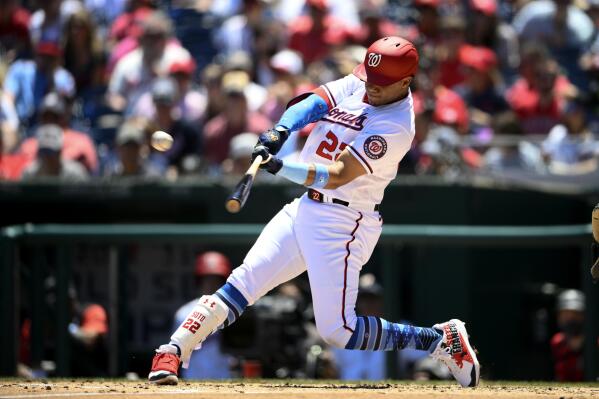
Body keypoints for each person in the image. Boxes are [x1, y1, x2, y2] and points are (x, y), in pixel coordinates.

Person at [148, 36, 480, 388]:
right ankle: (173, 349)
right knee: (242, 282)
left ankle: (439, 340)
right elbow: (314, 102)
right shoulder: (363, 80)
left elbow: (337, 176)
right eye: (370, 79)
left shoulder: (396, 125)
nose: (371, 88)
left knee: (339, 330)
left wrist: (282, 165)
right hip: (306, 207)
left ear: (405, 82)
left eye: (381, 85)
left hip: (344, 221)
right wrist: (280, 130)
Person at [173, 252, 234, 380]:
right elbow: (176, 354)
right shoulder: (184, 313)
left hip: (227, 381)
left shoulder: (233, 311)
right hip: (193, 381)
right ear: (199, 282)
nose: (212, 284)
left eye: (216, 280)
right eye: (208, 279)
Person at [550, 289, 586, 381]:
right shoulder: (557, 341)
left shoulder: (595, 342)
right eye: (565, 313)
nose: (570, 318)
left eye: (575, 314)